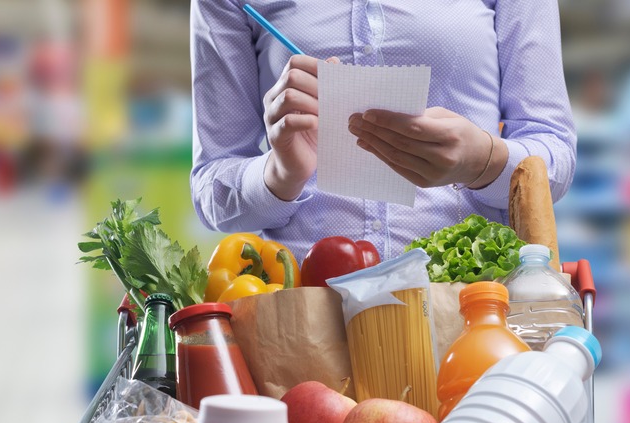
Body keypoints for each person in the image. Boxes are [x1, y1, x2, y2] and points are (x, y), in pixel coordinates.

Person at [189, 0, 576, 263]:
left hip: (465, 301)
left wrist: (481, 160)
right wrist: (279, 175)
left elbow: (554, 153)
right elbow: (211, 186)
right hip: (304, 311)